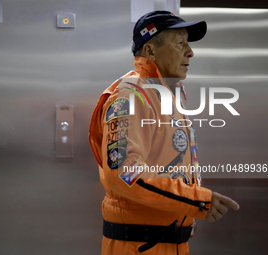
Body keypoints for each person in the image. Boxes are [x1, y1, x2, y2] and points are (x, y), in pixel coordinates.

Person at [88, 10, 239, 255]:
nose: (190, 52)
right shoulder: (131, 96)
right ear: (150, 51)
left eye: (188, 44)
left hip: (171, 244)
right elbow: (125, 174)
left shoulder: (165, 95)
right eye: (180, 43)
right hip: (139, 247)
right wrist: (197, 200)